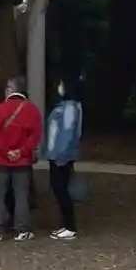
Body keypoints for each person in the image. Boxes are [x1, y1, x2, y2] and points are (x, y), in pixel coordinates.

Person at [0, 78, 42, 242]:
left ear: (10, 90)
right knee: (21, 196)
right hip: (22, 161)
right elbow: (35, 136)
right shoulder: (32, 110)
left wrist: (6, 152)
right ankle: (22, 229)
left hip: (0, 160)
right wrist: (21, 151)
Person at [43, 78, 83, 241]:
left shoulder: (70, 108)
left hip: (61, 156)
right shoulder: (67, 106)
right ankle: (66, 224)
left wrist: (60, 155)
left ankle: (69, 226)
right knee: (59, 189)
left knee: (60, 189)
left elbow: (67, 132)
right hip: (59, 154)